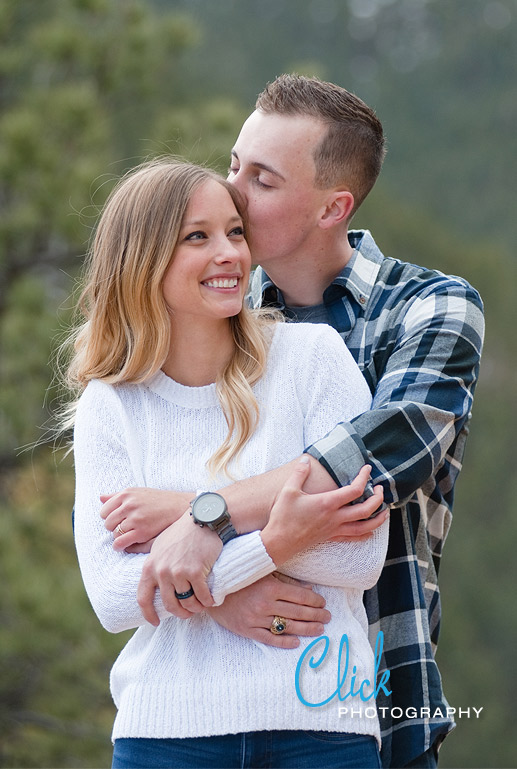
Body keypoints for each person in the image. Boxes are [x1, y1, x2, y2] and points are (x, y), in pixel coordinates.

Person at [108, 76, 485, 768]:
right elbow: (123, 538)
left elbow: (371, 464)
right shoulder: (204, 308)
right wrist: (216, 590)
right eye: (232, 164)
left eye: (262, 179)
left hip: (370, 683)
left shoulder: (431, 309)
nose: (230, 192)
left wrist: (201, 516)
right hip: (198, 702)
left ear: (330, 206)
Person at [69, 158, 390, 769]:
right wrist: (267, 549)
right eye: (199, 237)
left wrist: (191, 528)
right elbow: (114, 596)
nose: (230, 254)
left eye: (235, 232)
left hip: (321, 727)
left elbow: (358, 556)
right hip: (166, 736)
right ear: (142, 259)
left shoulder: (313, 359)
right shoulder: (110, 407)